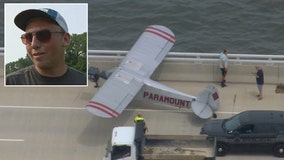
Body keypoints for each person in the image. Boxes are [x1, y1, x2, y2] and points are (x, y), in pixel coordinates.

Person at [6, 8, 86, 85]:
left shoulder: (84, 81)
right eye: (28, 37)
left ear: (65, 39)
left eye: (43, 35)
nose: (34, 44)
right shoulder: (10, 82)